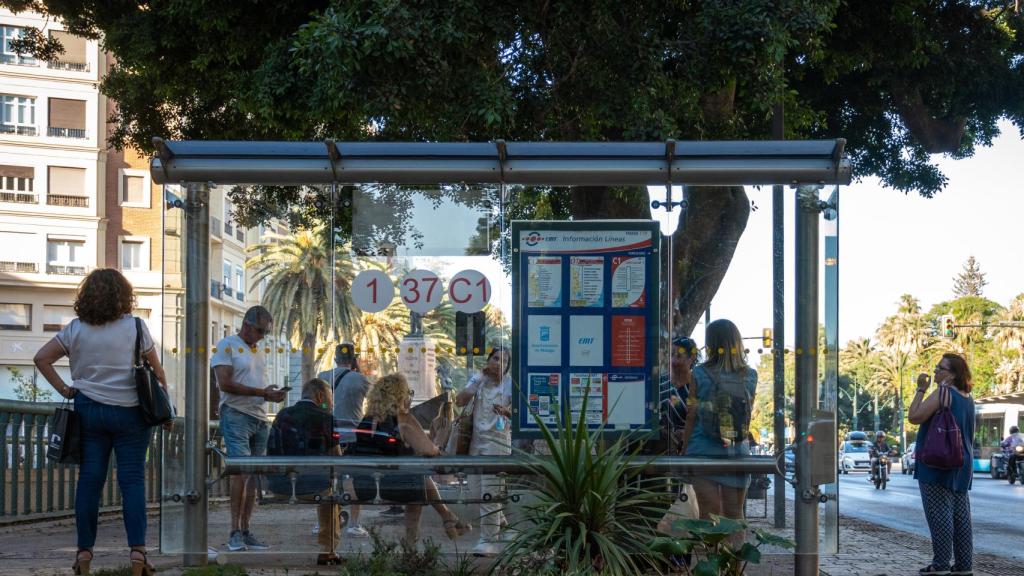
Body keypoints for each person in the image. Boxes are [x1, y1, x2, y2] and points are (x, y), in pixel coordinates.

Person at [33, 269, 168, 576]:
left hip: (89, 412)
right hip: (132, 413)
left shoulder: (76, 329)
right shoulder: (136, 327)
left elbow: (41, 358)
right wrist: (167, 410)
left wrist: (64, 389)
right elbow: (158, 373)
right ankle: (138, 554)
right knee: (132, 480)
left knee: (90, 481)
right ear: (124, 295)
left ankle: (83, 554)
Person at [350, 373, 471, 543]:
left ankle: (447, 517)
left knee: (418, 477)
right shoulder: (404, 420)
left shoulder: (366, 421)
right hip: (396, 485)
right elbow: (428, 450)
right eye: (409, 392)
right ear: (400, 395)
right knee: (416, 482)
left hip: (364, 486)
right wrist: (439, 450)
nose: (410, 397)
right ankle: (413, 545)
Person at [211, 306, 287, 552]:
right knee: (241, 472)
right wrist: (263, 393)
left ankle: (245, 529)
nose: (262, 335)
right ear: (246, 324)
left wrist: (268, 392)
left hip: (258, 416)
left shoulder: (258, 350)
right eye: (260, 331)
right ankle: (234, 530)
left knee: (253, 476)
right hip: (236, 414)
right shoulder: (227, 345)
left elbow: (252, 382)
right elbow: (224, 383)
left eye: (266, 332)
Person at [680, 319, 756, 546]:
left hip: (702, 452)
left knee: (708, 514)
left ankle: (713, 564)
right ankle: (733, 568)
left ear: (710, 343)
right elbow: (747, 415)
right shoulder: (749, 375)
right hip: (735, 453)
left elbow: (691, 414)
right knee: (735, 516)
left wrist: (684, 452)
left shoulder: (699, 374)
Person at [909, 352, 975, 576]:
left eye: (940, 369)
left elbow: (915, 416)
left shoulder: (942, 393)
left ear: (953, 374)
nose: (935, 372)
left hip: (938, 461)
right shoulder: (967, 397)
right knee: (961, 516)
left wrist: (920, 389)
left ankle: (940, 565)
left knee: (939, 515)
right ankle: (964, 566)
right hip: (962, 462)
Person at [266, 378, 344, 565]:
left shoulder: (282, 415)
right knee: (332, 497)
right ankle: (328, 550)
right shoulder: (327, 418)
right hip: (313, 487)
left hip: (280, 485)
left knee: (324, 486)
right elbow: (337, 457)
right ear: (319, 396)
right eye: (329, 397)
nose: (331, 402)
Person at [455, 347, 513, 556]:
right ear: (488, 360)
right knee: (476, 492)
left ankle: (489, 540)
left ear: (507, 366)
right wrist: (478, 378)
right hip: (475, 444)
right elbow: (459, 400)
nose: (498, 363)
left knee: (488, 494)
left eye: (504, 360)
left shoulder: (509, 385)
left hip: (497, 445)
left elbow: (520, 412)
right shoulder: (478, 381)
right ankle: (503, 525)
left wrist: (506, 411)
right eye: (495, 358)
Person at [316, 343, 371, 537]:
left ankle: (322, 522)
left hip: (327, 433)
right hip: (352, 435)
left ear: (335, 358)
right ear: (353, 359)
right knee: (353, 479)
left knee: (327, 479)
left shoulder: (322, 377)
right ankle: (354, 524)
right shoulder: (361, 379)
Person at [661, 337, 699, 455]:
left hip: (690, 449)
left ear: (691, 358)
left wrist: (687, 433)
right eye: (671, 354)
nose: (673, 361)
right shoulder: (660, 384)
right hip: (661, 449)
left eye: (678, 356)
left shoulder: (698, 386)